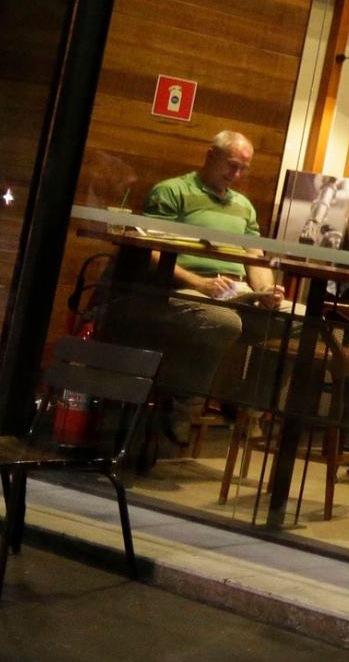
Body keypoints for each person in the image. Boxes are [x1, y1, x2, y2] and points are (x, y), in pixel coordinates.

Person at [114, 131, 285, 446]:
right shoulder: (172, 191)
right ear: (211, 156)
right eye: (231, 166)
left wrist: (267, 291)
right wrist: (199, 282)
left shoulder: (244, 206)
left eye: (242, 170)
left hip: (238, 291)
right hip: (185, 288)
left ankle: (249, 408)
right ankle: (184, 409)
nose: (235, 175)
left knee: (297, 320)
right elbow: (149, 248)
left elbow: (254, 256)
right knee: (222, 321)